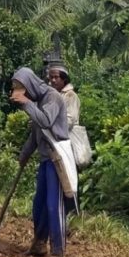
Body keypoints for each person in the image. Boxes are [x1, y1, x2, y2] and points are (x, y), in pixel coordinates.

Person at [13, 66, 71, 257]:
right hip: (45, 159)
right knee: (39, 204)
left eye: (23, 89)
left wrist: (27, 103)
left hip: (57, 158)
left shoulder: (52, 97)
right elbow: (36, 134)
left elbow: (46, 122)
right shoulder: (38, 100)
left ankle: (58, 251)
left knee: (54, 204)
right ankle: (39, 243)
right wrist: (25, 154)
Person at [47, 63, 81, 217]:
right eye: (51, 77)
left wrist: (48, 125)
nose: (53, 80)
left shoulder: (70, 96)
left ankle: (72, 214)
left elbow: (69, 120)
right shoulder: (54, 96)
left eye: (56, 77)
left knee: (68, 180)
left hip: (67, 146)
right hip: (57, 146)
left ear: (64, 79)